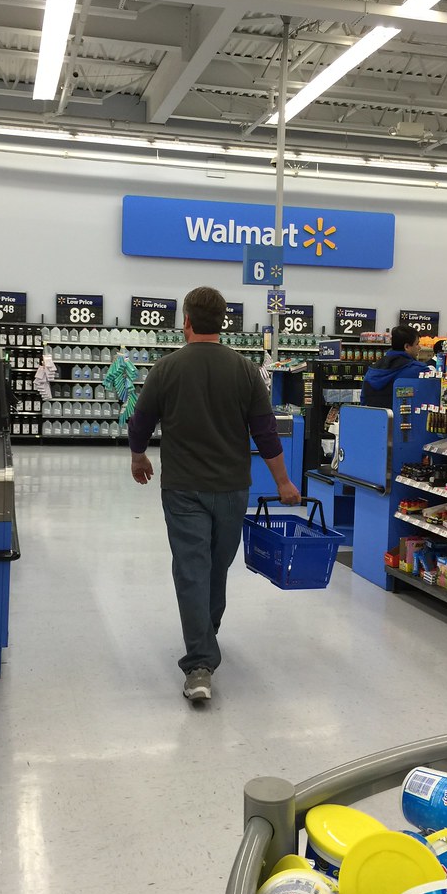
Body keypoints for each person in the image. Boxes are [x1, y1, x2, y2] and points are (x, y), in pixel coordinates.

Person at [128, 286, 301, 703]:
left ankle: (202, 646)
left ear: (186, 320)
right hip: (231, 488)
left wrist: (138, 456)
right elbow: (266, 433)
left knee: (194, 570)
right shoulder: (246, 371)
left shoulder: (166, 368)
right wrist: (283, 482)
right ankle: (201, 657)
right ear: (224, 322)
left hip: (182, 487)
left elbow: (141, 420)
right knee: (215, 567)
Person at [360, 325, 425, 408]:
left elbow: (363, 400)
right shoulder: (418, 370)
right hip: (402, 416)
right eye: (417, 344)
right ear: (407, 347)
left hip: (373, 415)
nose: (419, 347)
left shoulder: (372, 370)